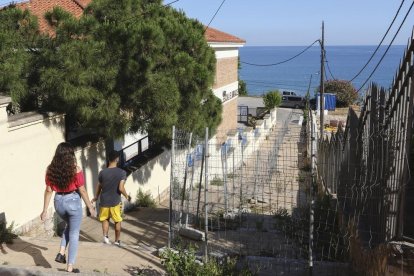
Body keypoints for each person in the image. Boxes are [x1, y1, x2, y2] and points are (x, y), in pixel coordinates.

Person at [40, 142, 96, 273]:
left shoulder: (50, 169)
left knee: (70, 226)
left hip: (58, 202)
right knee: (74, 233)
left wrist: (44, 210)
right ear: (70, 155)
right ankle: (70, 267)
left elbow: (49, 190)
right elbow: (82, 190)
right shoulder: (75, 169)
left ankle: (61, 252)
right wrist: (90, 207)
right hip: (73, 202)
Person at [92, 150, 131, 247]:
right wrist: (127, 196)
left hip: (104, 201)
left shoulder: (102, 172)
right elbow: (121, 188)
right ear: (117, 159)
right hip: (115, 202)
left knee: (105, 219)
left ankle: (105, 237)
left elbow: (99, 186)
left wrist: (96, 197)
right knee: (117, 220)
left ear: (108, 159)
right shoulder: (122, 172)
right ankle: (117, 241)